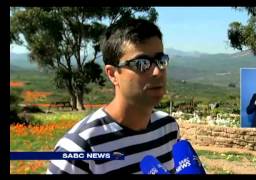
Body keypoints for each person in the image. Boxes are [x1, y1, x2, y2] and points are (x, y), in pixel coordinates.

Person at [46, 18, 180, 174]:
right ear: (112, 74)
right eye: (141, 64)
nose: (157, 71)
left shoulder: (168, 128)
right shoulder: (78, 150)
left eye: (160, 60)